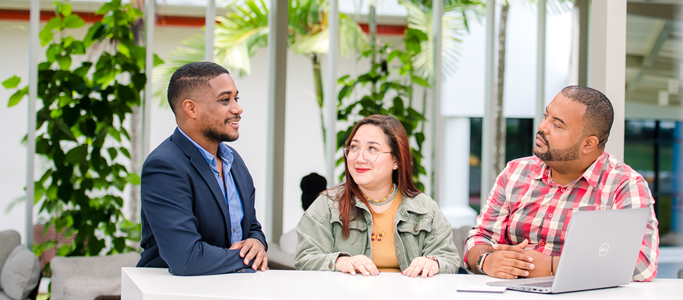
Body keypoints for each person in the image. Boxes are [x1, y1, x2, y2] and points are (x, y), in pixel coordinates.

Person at [464, 86, 659, 282]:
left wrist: (552, 267)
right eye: (545, 116)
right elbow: (480, 237)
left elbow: (642, 265)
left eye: (557, 125)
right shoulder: (515, 172)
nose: (542, 127)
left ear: (588, 144)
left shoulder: (624, 186)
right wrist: (486, 260)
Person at [137, 62, 268, 275]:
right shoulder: (164, 166)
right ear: (191, 108)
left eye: (236, 98)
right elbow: (186, 258)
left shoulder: (233, 160)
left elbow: (251, 226)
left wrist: (257, 243)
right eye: (225, 100)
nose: (237, 108)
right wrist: (246, 259)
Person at [295, 115, 460, 277]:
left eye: (372, 149)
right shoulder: (327, 204)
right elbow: (305, 258)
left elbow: (449, 259)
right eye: (354, 147)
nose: (359, 158)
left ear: (396, 160)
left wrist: (433, 263)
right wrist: (340, 262)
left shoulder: (425, 208)